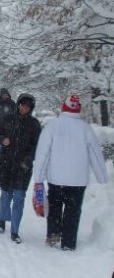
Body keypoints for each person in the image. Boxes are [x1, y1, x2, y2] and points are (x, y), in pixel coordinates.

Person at [33, 93, 108, 251]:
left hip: (56, 179)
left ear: (63, 108)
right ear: (78, 110)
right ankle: (69, 241)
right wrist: (103, 178)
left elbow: (42, 154)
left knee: (54, 206)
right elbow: (95, 155)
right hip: (78, 180)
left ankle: (53, 233)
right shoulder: (85, 129)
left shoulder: (53, 127)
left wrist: (38, 178)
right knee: (73, 211)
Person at [0, 93, 41, 243]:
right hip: (6, 163)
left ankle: (15, 231)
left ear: (31, 108)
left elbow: (37, 146)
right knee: (6, 195)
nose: (24, 108)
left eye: (28, 106)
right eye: (22, 105)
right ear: (18, 104)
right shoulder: (8, 119)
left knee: (19, 198)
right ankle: (2, 219)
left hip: (23, 167)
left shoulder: (34, 124)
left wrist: (28, 158)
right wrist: (2, 140)